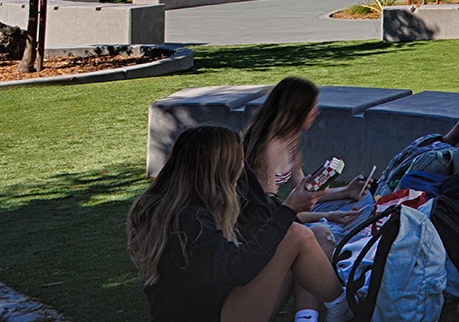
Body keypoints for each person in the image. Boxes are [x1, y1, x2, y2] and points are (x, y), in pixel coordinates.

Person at [129, 124, 343, 322]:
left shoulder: (196, 201)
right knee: (296, 235)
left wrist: (248, 175)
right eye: (237, 163)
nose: (241, 168)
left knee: (315, 235)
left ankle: (308, 317)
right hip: (209, 315)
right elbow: (237, 269)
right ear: (221, 169)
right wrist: (289, 209)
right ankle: (344, 307)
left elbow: (261, 221)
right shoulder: (187, 219)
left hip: (223, 304)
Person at [241, 78, 371, 224]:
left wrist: (346, 191)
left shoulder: (289, 138)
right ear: (296, 110)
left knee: (364, 201)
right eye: (311, 107)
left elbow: (303, 189)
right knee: (324, 230)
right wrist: (328, 216)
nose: (316, 112)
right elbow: (271, 214)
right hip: (266, 223)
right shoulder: (269, 148)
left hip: (284, 213)